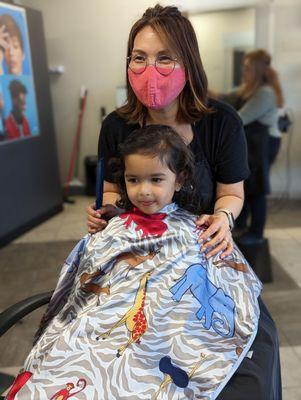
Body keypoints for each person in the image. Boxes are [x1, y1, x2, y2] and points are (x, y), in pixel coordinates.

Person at [85, 6, 281, 399]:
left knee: (251, 354)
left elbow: (232, 192)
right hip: (136, 259)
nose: (148, 69)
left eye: (164, 58)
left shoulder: (221, 122)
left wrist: (224, 219)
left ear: (188, 62)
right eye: (139, 58)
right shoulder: (116, 127)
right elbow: (110, 191)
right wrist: (107, 213)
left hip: (201, 256)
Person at [7, 126, 263, 399]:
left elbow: (222, 282)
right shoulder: (114, 228)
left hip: (165, 330)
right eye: (133, 180)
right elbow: (82, 286)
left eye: (156, 179)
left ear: (178, 180)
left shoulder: (199, 229)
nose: (143, 191)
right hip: (99, 324)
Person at [215, 49, 284, 244]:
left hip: (264, 144)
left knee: (257, 188)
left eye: (246, 68)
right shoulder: (248, 88)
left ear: (257, 69)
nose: (243, 71)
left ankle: (256, 232)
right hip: (252, 143)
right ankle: (242, 225)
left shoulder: (265, 93)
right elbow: (226, 96)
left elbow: (240, 118)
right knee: (246, 184)